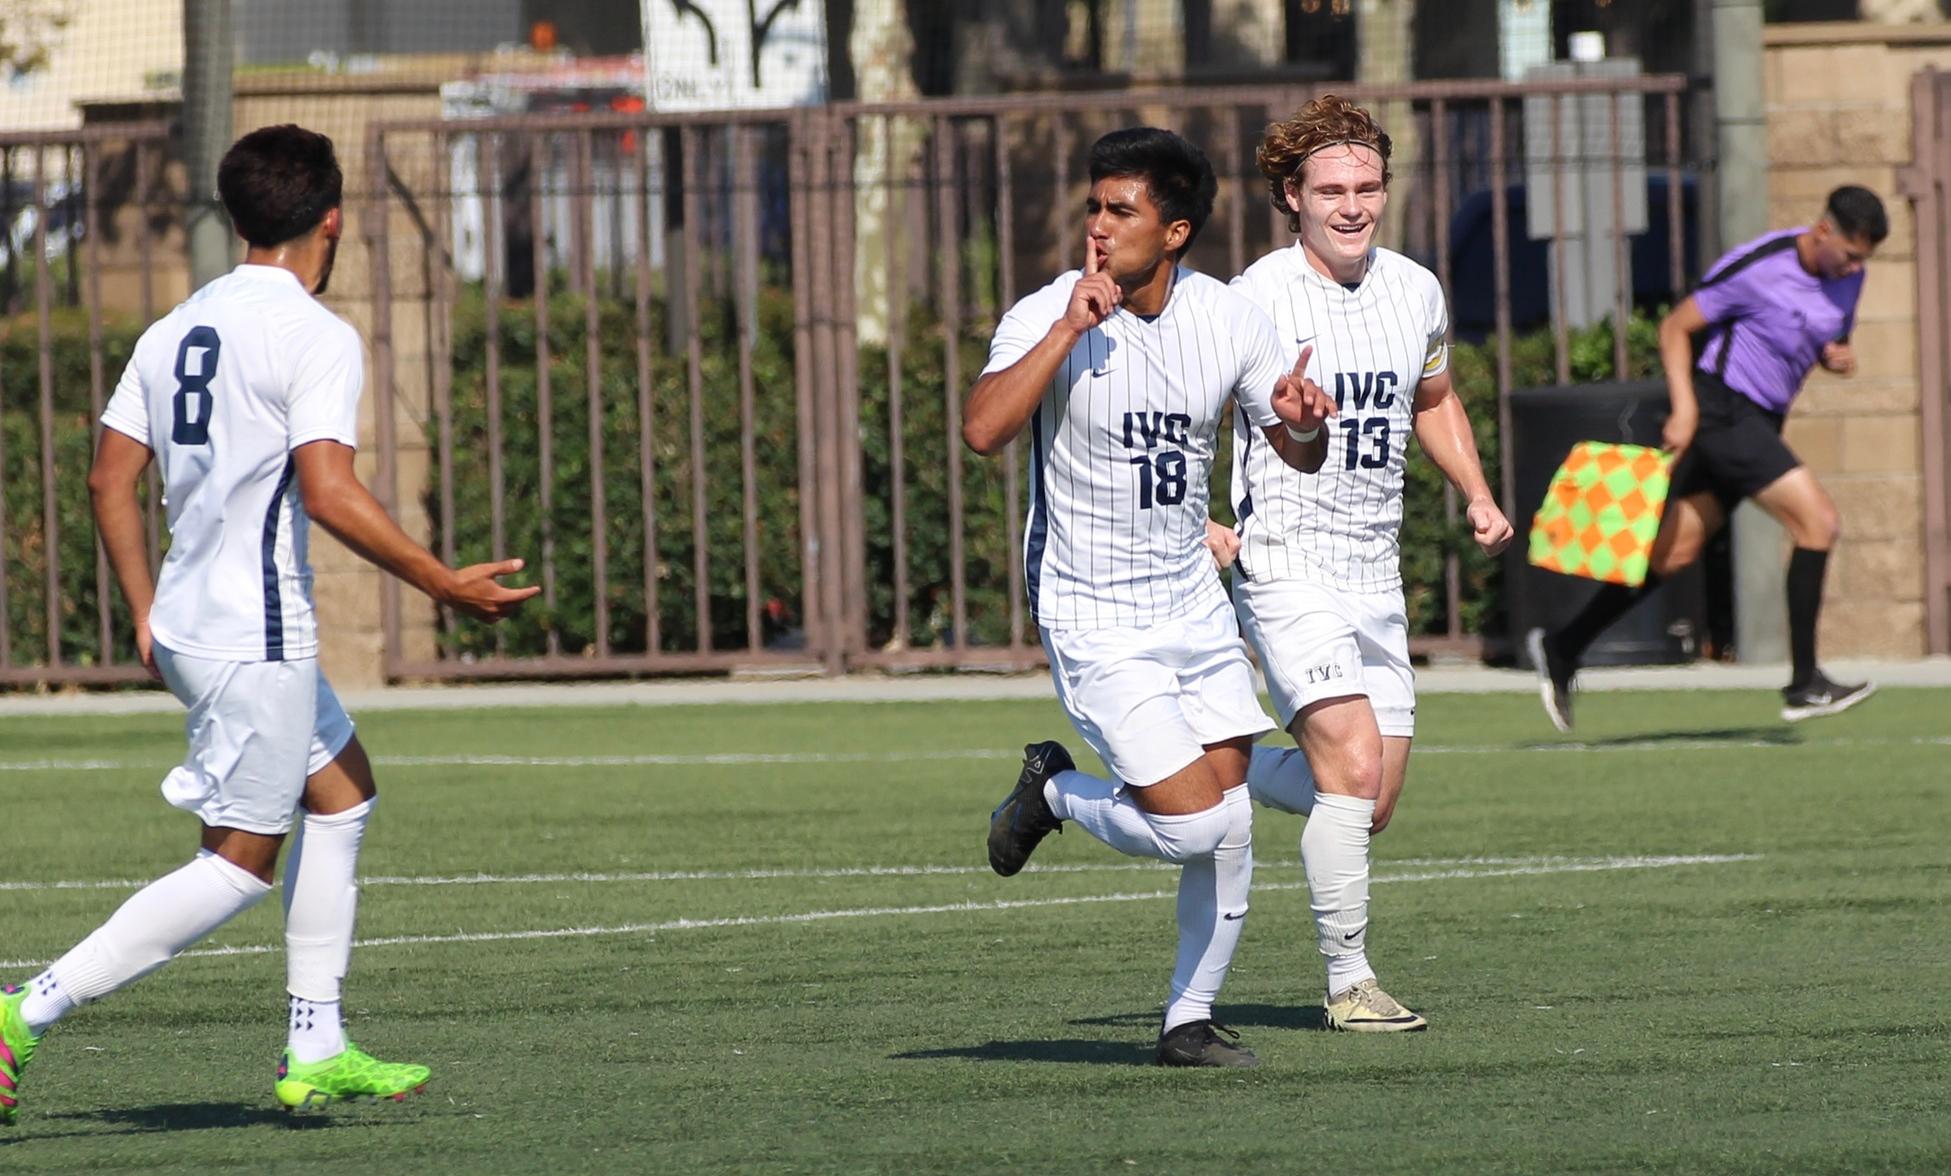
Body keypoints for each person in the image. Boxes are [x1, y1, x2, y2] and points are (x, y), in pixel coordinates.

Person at [0, 124, 537, 1124]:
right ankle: (23, 1012)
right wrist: (441, 584)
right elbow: (329, 492)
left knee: (341, 795)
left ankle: (317, 1042)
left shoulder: (176, 328)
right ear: (331, 223)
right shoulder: (316, 336)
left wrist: (144, 614)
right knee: (239, 864)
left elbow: (109, 476)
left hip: (197, 628)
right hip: (257, 637)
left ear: (238, 218)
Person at [968, 127, 1333, 1068]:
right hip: (1092, 610)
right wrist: (1065, 331)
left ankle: (1188, 1019)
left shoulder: (1227, 318)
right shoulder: (1049, 310)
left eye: (1119, 210)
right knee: (1196, 824)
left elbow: (1290, 445)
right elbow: (981, 430)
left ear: (1172, 232)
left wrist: (1302, 428)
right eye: (1092, 207)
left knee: (1231, 823)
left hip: (1191, 606)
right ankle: (1052, 792)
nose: (1097, 227)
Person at [1218, 94, 1512, 1032]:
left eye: (1367, 186)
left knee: (1368, 799)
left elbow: (1434, 397)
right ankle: (1349, 981)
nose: (1352, 206)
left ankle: (1202, 769)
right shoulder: (1254, 298)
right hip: (1283, 556)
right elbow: (1191, 413)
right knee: (1346, 767)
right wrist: (1205, 523)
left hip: (1370, 566)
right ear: (1291, 198)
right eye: (1330, 190)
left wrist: (1474, 488)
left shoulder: (1414, 288)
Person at [1529, 185, 1888, 729]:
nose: (1855, 269)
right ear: (1822, 232)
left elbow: (1822, 338)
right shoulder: (1761, 266)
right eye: (1851, 254)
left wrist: (1837, 358)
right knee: (1819, 523)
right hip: (1722, 408)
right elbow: (1677, 327)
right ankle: (1805, 683)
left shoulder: (1849, 279)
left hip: (1762, 420)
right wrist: (1685, 408)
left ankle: (1563, 645)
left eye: (1864, 260)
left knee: (1673, 553)